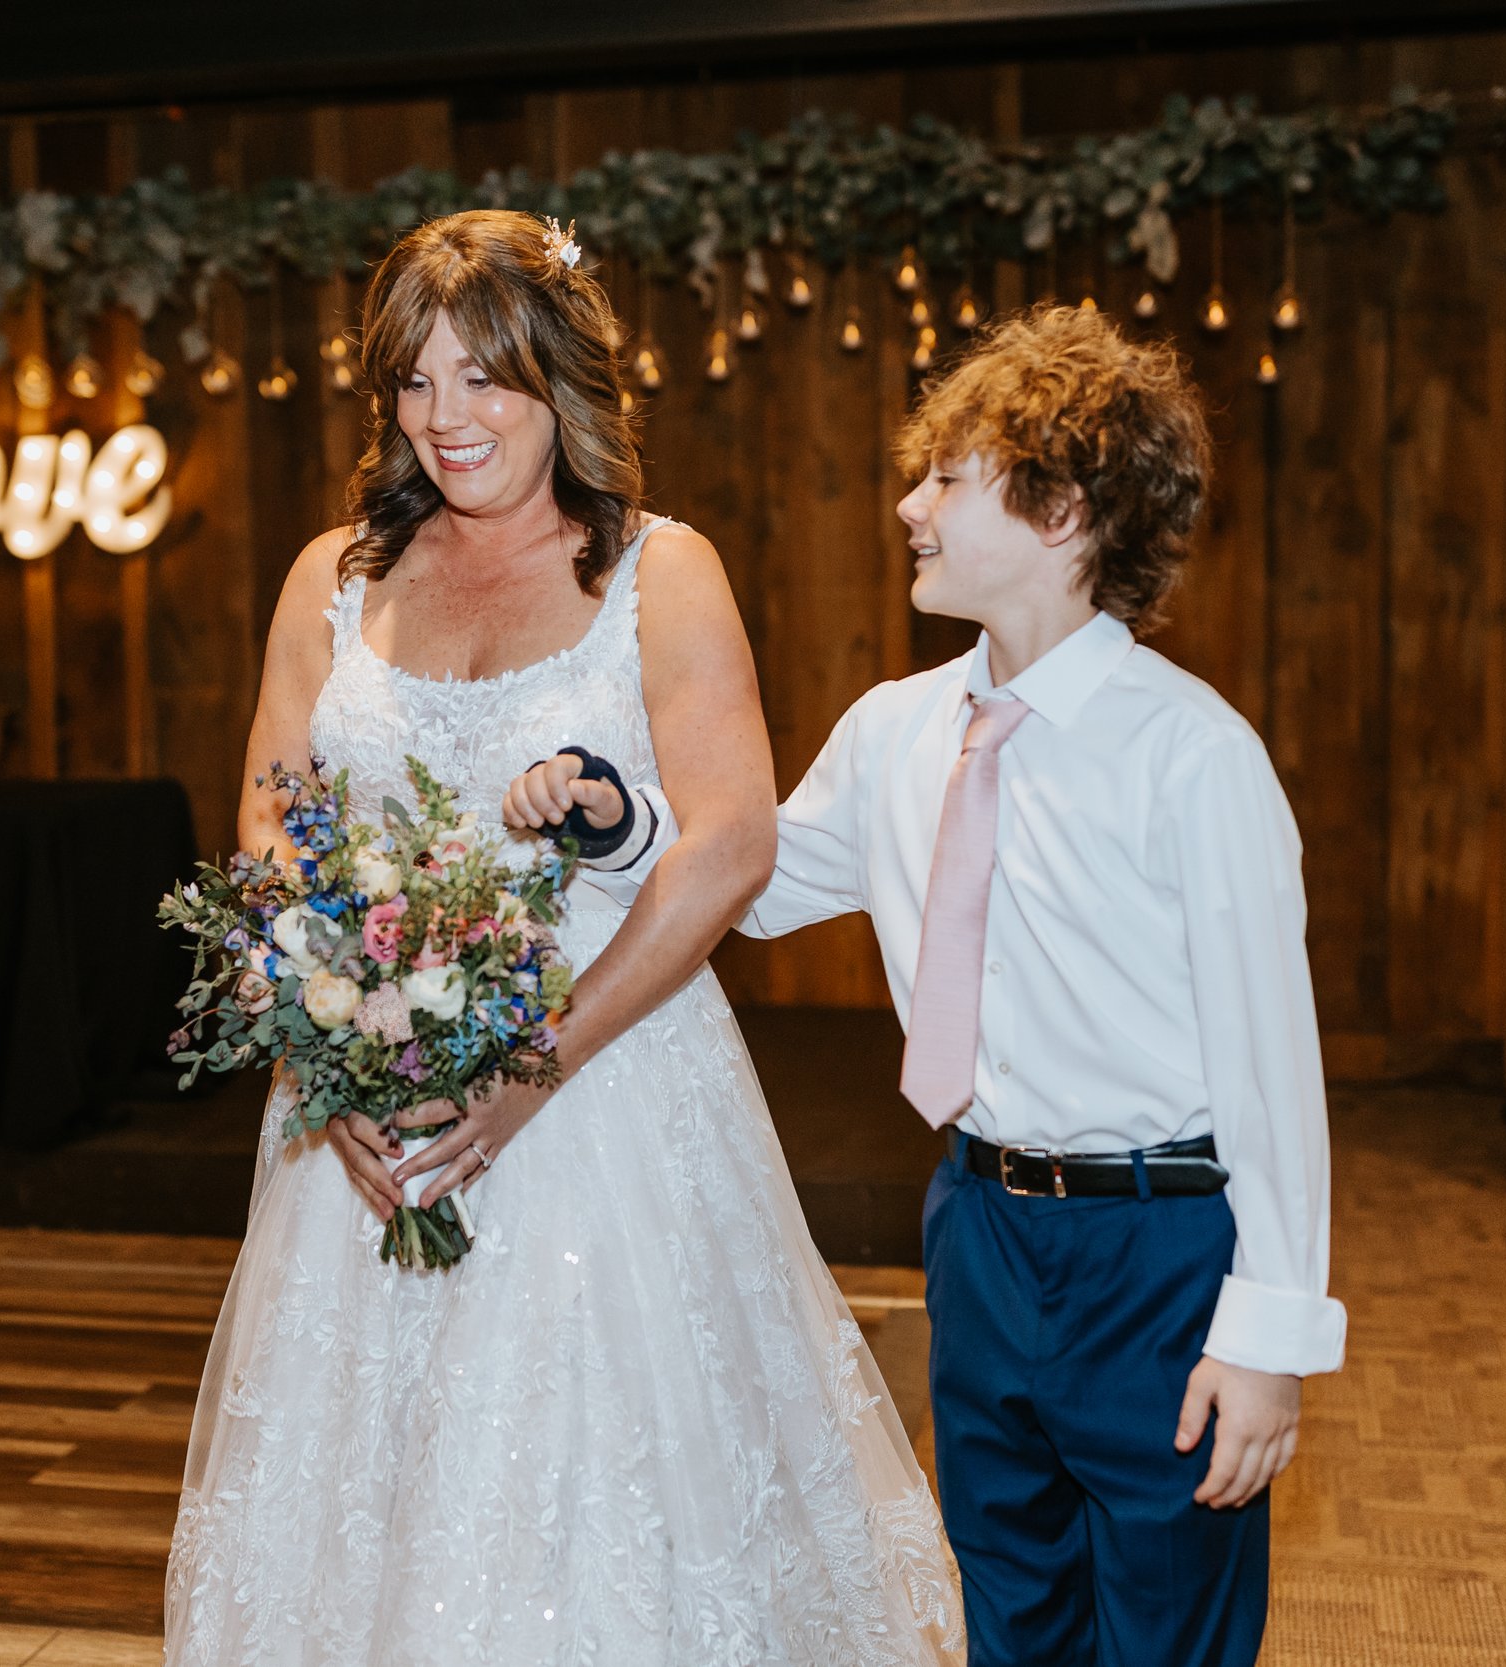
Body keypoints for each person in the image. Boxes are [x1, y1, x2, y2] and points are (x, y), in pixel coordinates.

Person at [166, 209, 963, 1667]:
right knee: (364, 1500)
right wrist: (331, 1063)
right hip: (367, 1114)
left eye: (486, 378)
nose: (446, 418)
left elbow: (729, 843)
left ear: (562, 382)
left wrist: (532, 1066)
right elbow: (272, 840)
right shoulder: (331, 581)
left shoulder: (663, 572)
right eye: (414, 380)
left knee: (590, 1502)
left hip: (605, 1099)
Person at [507, 300, 1348, 1667]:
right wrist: (620, 824)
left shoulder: (1195, 757)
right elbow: (764, 888)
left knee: (1164, 1618)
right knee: (1006, 1600)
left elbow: (1273, 1074)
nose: (909, 504)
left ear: (1064, 510)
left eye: (947, 478)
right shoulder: (899, 730)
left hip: (1161, 1244)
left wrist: (1267, 1339)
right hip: (979, 1225)